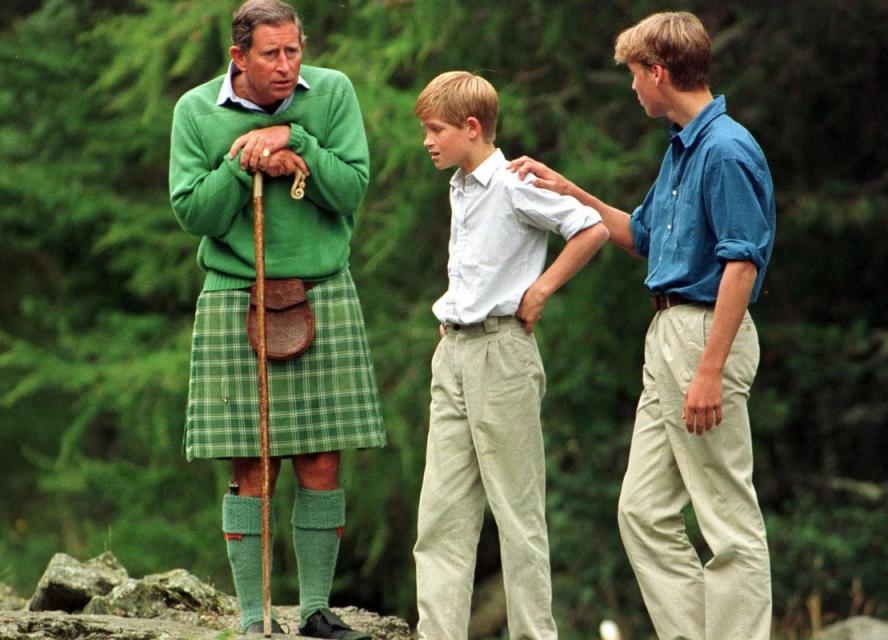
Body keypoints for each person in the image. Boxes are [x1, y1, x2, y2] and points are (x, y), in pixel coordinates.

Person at [509, 11, 775, 640]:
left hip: (708, 333)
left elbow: (741, 264)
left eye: (634, 75)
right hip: (668, 338)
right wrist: (569, 190)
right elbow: (642, 235)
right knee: (644, 511)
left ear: (658, 72)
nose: (632, 88)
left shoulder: (728, 149)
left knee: (727, 516)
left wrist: (710, 369)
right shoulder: (682, 149)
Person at [168, 1, 385, 637]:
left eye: (294, 50)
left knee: (321, 460)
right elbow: (195, 215)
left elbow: (350, 190)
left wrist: (297, 142)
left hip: (322, 286)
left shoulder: (333, 93)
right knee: (251, 466)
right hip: (238, 291)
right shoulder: (195, 111)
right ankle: (255, 618)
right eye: (272, 54)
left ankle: (315, 609)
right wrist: (244, 163)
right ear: (238, 57)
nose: (288, 66)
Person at [412, 71, 609, 639]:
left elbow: (590, 228)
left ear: (472, 129)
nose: (428, 140)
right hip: (454, 351)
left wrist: (541, 290)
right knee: (441, 514)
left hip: (502, 352)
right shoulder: (460, 186)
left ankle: (533, 635)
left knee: (517, 514)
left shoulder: (514, 182)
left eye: (436, 130)